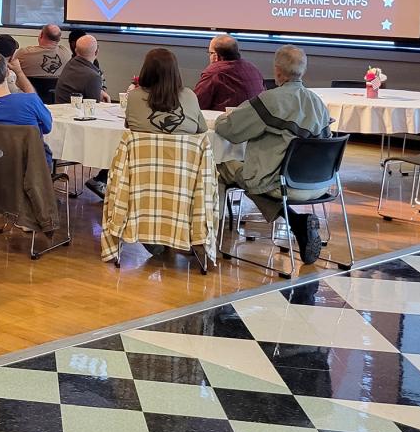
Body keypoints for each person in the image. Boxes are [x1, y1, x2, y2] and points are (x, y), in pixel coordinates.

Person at [215, 45, 332, 265]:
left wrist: (225, 118)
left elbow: (230, 130)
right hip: (319, 183)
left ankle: (212, 237)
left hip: (280, 183)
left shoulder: (270, 100)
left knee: (222, 166)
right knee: (259, 178)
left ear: (277, 71)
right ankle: (298, 223)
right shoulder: (319, 103)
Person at [0, 52, 53, 168]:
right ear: (8, 73)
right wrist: (19, 72)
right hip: (32, 170)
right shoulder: (30, 101)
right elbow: (47, 127)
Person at [56, 35, 111, 196]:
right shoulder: (92, 75)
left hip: (64, 123)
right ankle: (101, 179)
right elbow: (94, 108)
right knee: (116, 142)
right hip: (80, 130)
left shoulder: (71, 65)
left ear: (75, 50)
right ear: (97, 52)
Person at [126, 49, 207, 135]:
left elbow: (129, 124)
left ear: (145, 70)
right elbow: (202, 129)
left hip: (142, 148)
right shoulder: (189, 96)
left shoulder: (133, 96)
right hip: (183, 148)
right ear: (175, 71)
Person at [193, 34, 265, 112]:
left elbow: (196, 105)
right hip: (255, 121)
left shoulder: (214, 72)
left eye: (210, 53)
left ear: (216, 56)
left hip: (229, 121)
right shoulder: (253, 68)